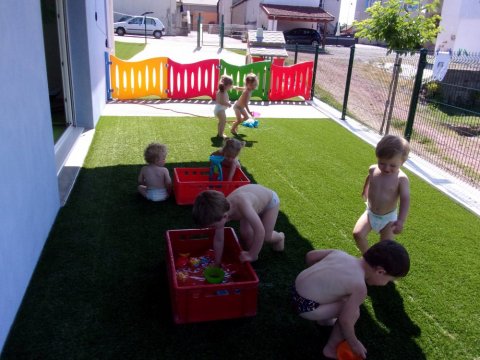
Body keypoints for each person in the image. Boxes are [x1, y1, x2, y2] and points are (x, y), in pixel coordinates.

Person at [293, 240, 410, 359]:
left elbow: (310, 256)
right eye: (388, 281)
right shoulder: (359, 287)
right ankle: (331, 349)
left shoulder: (340, 254)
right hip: (305, 307)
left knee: (343, 297)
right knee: (354, 313)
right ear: (380, 271)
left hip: (295, 291)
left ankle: (324, 321)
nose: (386, 284)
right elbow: (345, 320)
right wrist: (354, 343)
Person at [192, 184, 285, 265]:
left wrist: (252, 255)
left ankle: (280, 237)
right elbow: (219, 240)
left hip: (270, 202)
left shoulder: (243, 206)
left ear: (225, 217)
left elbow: (260, 231)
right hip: (252, 204)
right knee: (246, 234)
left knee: (266, 237)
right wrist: (217, 262)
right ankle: (251, 251)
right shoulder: (220, 211)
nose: (211, 228)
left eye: (212, 226)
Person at [353, 135, 411, 254]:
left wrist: (401, 221)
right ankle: (369, 257)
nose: (386, 168)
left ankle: (379, 263)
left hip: (388, 219)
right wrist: (365, 188)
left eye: (392, 165)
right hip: (370, 213)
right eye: (382, 163)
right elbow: (370, 177)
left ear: (402, 162)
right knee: (357, 234)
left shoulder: (401, 179)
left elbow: (405, 199)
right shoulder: (373, 169)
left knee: (384, 247)